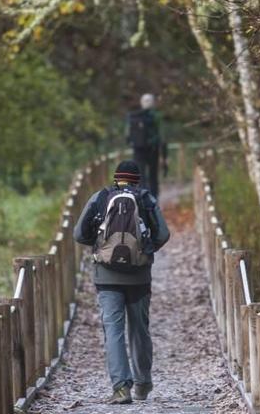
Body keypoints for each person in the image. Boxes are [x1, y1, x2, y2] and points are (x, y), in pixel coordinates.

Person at [74, 160, 170, 404]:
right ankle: (143, 382)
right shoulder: (146, 198)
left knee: (113, 331)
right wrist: (146, 251)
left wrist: (101, 247)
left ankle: (120, 388)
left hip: (106, 277)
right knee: (139, 329)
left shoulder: (101, 197)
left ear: (116, 178)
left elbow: (79, 234)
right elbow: (162, 234)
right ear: (137, 179)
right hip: (139, 277)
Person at [126, 93, 167, 197]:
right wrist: (164, 154)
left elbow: (127, 136)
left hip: (138, 150)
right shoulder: (156, 116)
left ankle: (141, 199)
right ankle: (153, 201)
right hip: (153, 150)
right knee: (153, 176)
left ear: (141, 103)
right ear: (153, 103)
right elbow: (161, 136)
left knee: (140, 176)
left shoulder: (133, 116)